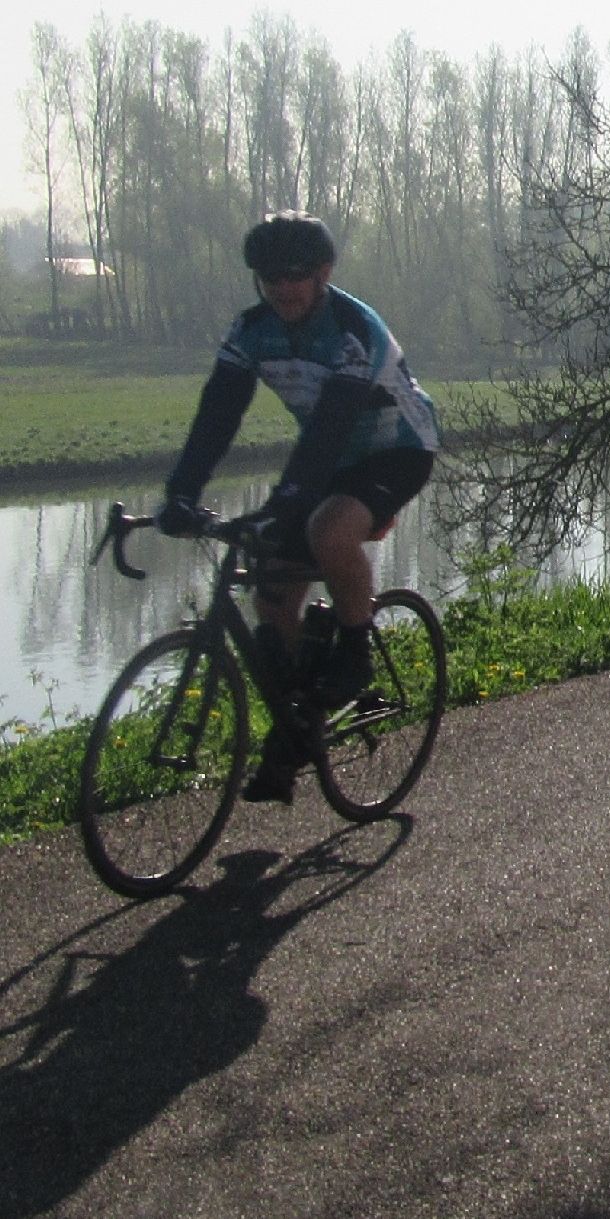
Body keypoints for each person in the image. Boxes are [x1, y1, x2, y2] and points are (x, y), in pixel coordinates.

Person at [160, 212, 441, 799]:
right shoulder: (251, 332)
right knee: (273, 589)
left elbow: (326, 434)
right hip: (334, 458)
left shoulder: (350, 330)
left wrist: (282, 506)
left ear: (323, 273)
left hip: (398, 450)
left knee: (328, 527)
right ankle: (298, 722)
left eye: (296, 276)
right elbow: (216, 417)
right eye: (270, 277)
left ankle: (356, 653)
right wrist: (180, 493)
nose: (283, 289)